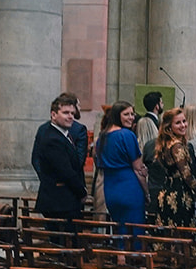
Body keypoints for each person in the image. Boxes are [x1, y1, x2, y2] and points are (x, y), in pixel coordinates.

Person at [31, 92, 87, 232]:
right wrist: (82, 192)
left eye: (72, 113)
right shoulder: (53, 139)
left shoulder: (63, 134)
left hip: (64, 200)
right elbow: (66, 171)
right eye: (65, 113)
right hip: (60, 202)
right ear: (53, 115)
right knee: (66, 241)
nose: (70, 116)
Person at [95, 101, 148, 244]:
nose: (131, 117)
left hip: (110, 188)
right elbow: (138, 169)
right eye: (126, 114)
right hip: (129, 187)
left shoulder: (102, 137)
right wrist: (146, 192)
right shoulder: (127, 135)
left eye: (132, 114)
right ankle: (136, 256)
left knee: (119, 229)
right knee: (135, 230)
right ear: (116, 115)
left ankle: (120, 254)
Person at [145, 106, 196, 227]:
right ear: (169, 126)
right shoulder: (177, 146)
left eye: (184, 121)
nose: (183, 125)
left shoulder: (165, 143)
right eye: (178, 123)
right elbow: (186, 174)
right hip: (179, 196)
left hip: (166, 192)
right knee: (182, 232)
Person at [135, 90, 164, 154]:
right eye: (161, 103)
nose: (163, 105)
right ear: (157, 106)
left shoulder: (145, 120)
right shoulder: (147, 121)